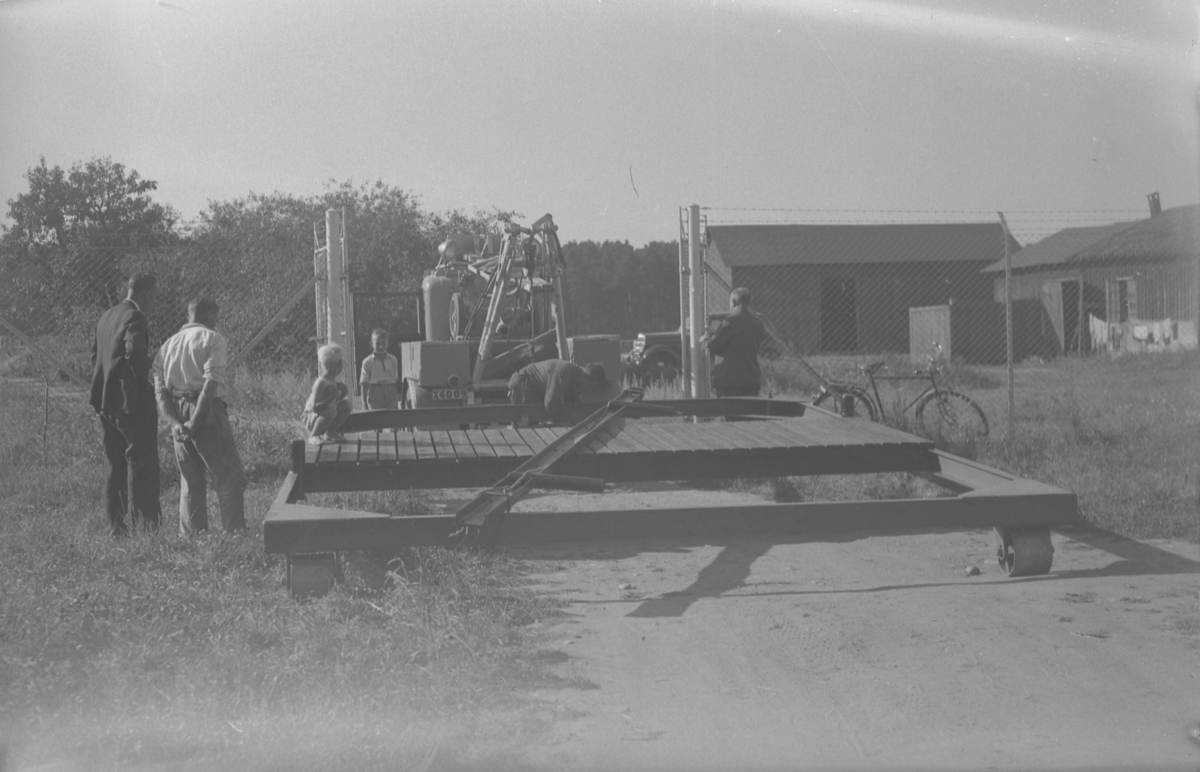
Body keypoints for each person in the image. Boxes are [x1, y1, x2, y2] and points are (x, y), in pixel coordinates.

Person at [153, 298, 247, 536]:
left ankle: (192, 536)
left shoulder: (167, 346)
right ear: (209, 316)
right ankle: (234, 533)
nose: (217, 322)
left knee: (191, 478)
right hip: (206, 411)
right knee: (228, 475)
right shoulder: (212, 339)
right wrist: (195, 421)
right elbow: (211, 383)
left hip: (176, 408)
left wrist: (175, 424)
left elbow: (160, 391)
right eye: (216, 317)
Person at [90, 273, 162, 537]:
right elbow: (134, 352)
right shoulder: (135, 317)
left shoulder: (107, 316)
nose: (154, 302)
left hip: (105, 402)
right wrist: (151, 374)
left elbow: (95, 356)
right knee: (142, 462)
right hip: (130, 403)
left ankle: (116, 529)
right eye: (154, 295)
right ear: (145, 292)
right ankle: (146, 529)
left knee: (114, 464)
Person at [703, 287, 766, 397]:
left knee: (730, 408)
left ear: (733, 302)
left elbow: (713, 346)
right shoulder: (758, 323)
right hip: (751, 380)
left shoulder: (729, 322)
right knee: (749, 408)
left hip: (729, 380)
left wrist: (707, 339)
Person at [508, 359, 607, 417]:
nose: (589, 391)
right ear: (586, 377)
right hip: (523, 384)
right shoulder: (564, 372)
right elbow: (551, 404)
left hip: (536, 388)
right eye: (590, 387)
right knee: (529, 422)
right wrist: (573, 415)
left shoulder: (576, 378)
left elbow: (572, 403)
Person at [304, 343, 353, 444]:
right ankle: (314, 435)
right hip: (310, 417)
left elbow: (333, 402)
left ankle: (330, 432)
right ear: (339, 364)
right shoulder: (321, 383)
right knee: (330, 413)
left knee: (346, 405)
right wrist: (332, 396)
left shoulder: (333, 381)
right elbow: (315, 408)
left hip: (323, 415)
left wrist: (342, 394)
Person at [359, 328, 399, 410]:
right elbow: (364, 384)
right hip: (375, 392)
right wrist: (364, 404)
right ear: (371, 344)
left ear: (388, 343)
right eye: (377, 344)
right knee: (376, 416)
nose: (381, 346)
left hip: (390, 391)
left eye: (384, 343)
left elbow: (395, 380)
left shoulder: (393, 359)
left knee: (392, 416)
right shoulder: (367, 362)